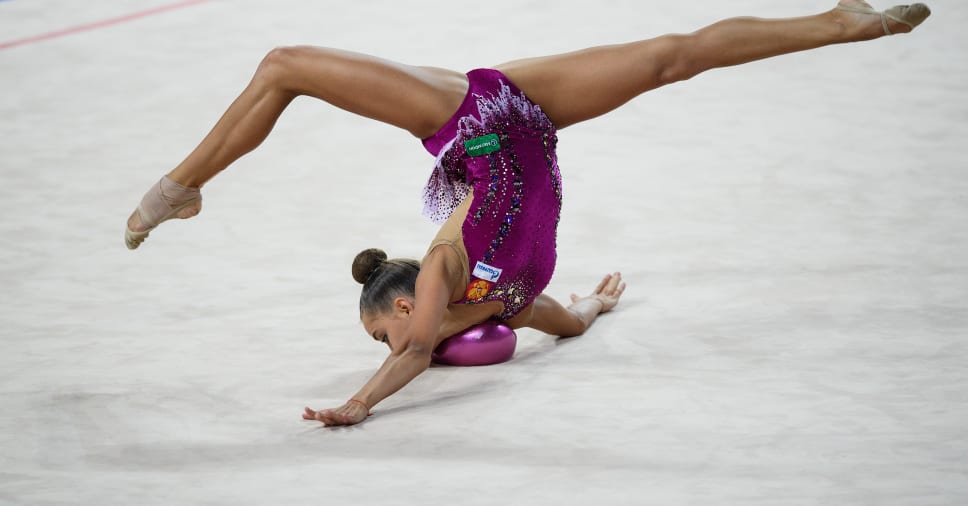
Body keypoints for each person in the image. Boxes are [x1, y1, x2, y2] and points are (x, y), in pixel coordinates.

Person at [123, 1, 931, 426]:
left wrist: (358, 403)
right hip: (526, 114)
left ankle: (179, 186)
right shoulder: (513, 302)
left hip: (472, 120)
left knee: (285, 64)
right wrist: (596, 303)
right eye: (382, 344)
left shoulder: (444, 276)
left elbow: (409, 356)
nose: (408, 344)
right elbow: (567, 323)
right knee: (670, 58)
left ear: (407, 305)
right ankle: (842, 23)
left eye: (387, 330)